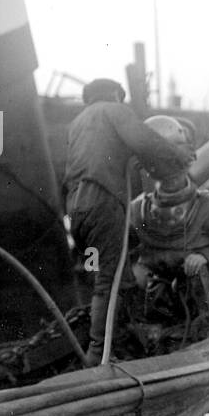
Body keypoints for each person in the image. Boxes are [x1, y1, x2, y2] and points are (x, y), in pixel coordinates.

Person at [64, 79, 194, 364]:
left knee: (115, 274)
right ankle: (99, 354)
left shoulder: (78, 123)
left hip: (76, 208)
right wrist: (179, 157)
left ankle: (123, 343)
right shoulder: (114, 110)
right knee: (108, 281)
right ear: (114, 95)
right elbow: (146, 141)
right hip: (103, 201)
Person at [130, 116, 209, 344]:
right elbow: (124, 245)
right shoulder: (139, 209)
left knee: (197, 274)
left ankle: (206, 330)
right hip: (158, 290)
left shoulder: (208, 205)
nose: (171, 180)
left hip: (199, 293)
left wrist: (205, 255)